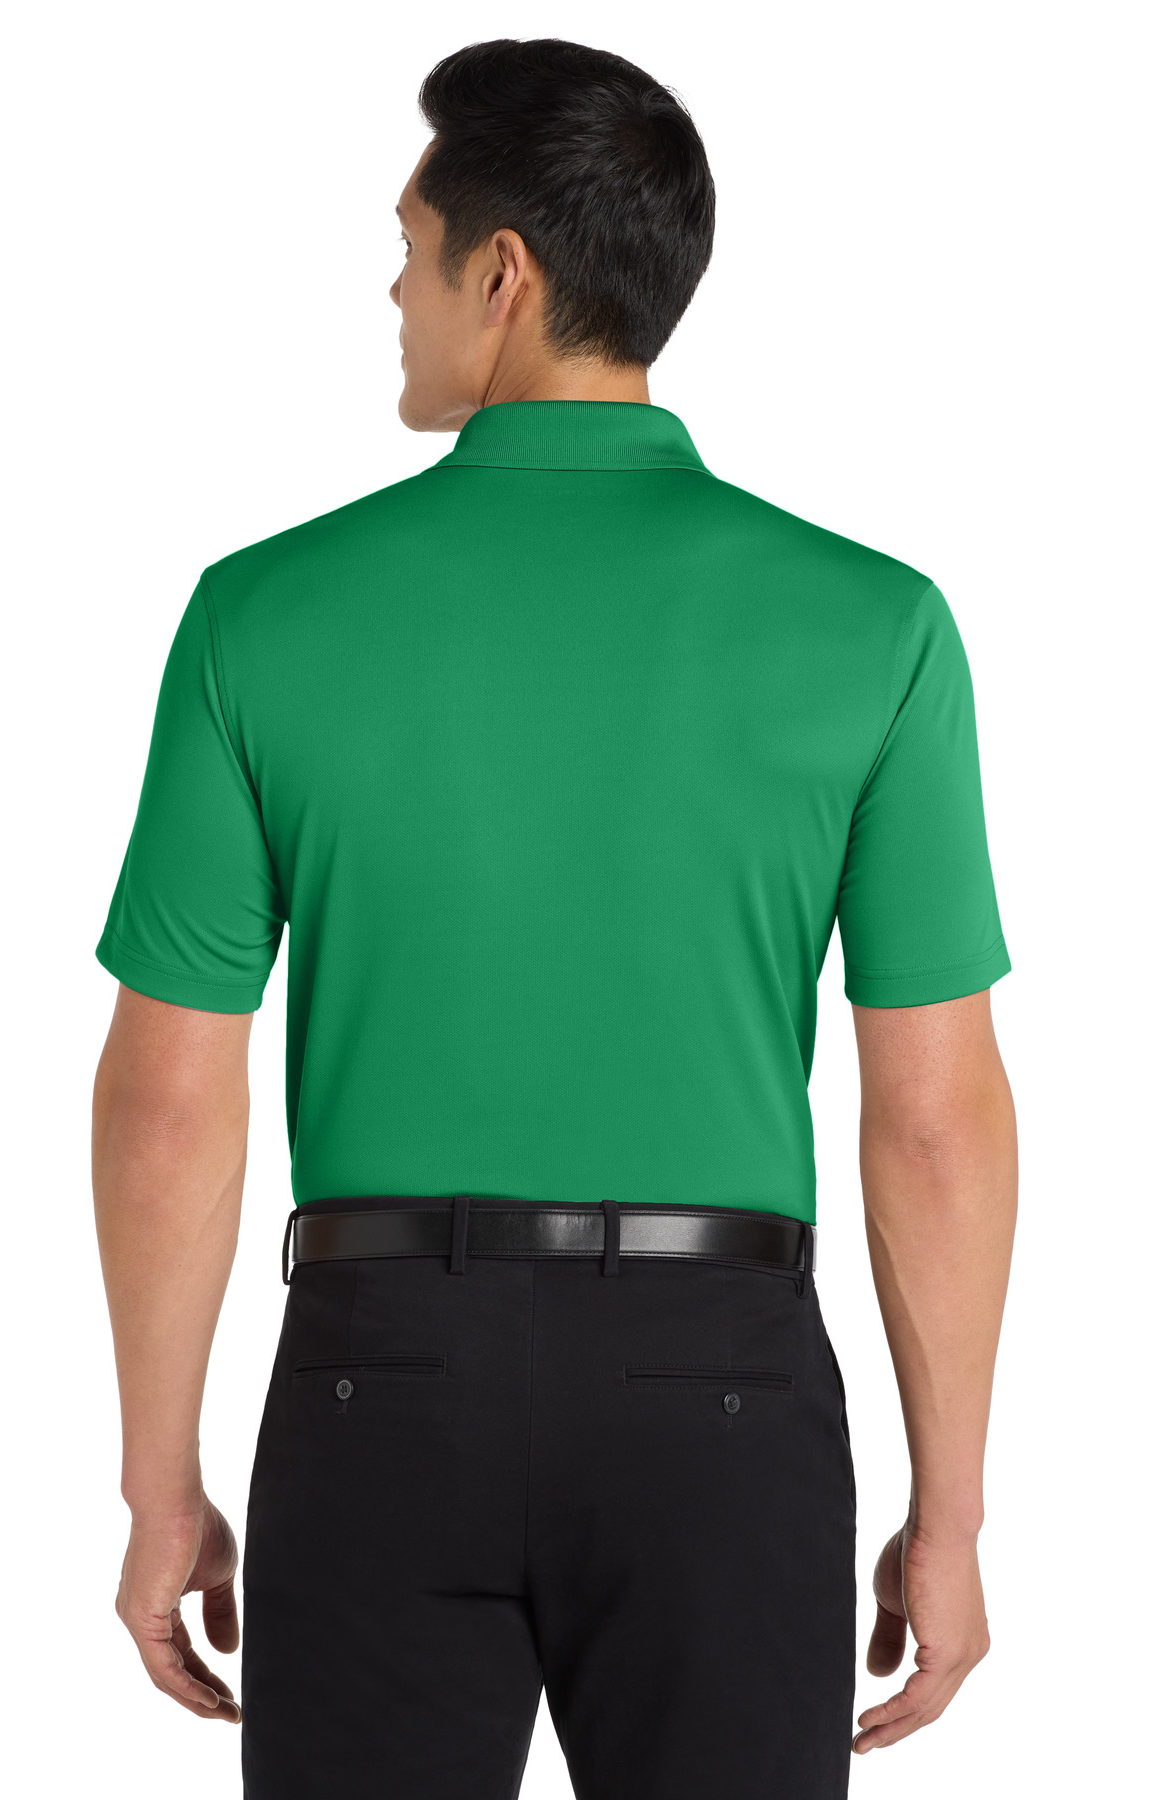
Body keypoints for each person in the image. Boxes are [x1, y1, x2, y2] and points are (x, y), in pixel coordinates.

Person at [92, 37, 1017, 1800]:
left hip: (380, 1379)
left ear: (500, 274)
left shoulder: (260, 616)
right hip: (721, 1391)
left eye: (410, 245)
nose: (393, 288)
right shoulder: (876, 627)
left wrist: (158, 1487)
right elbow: (935, 1119)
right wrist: (952, 1516)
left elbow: (167, 1100)